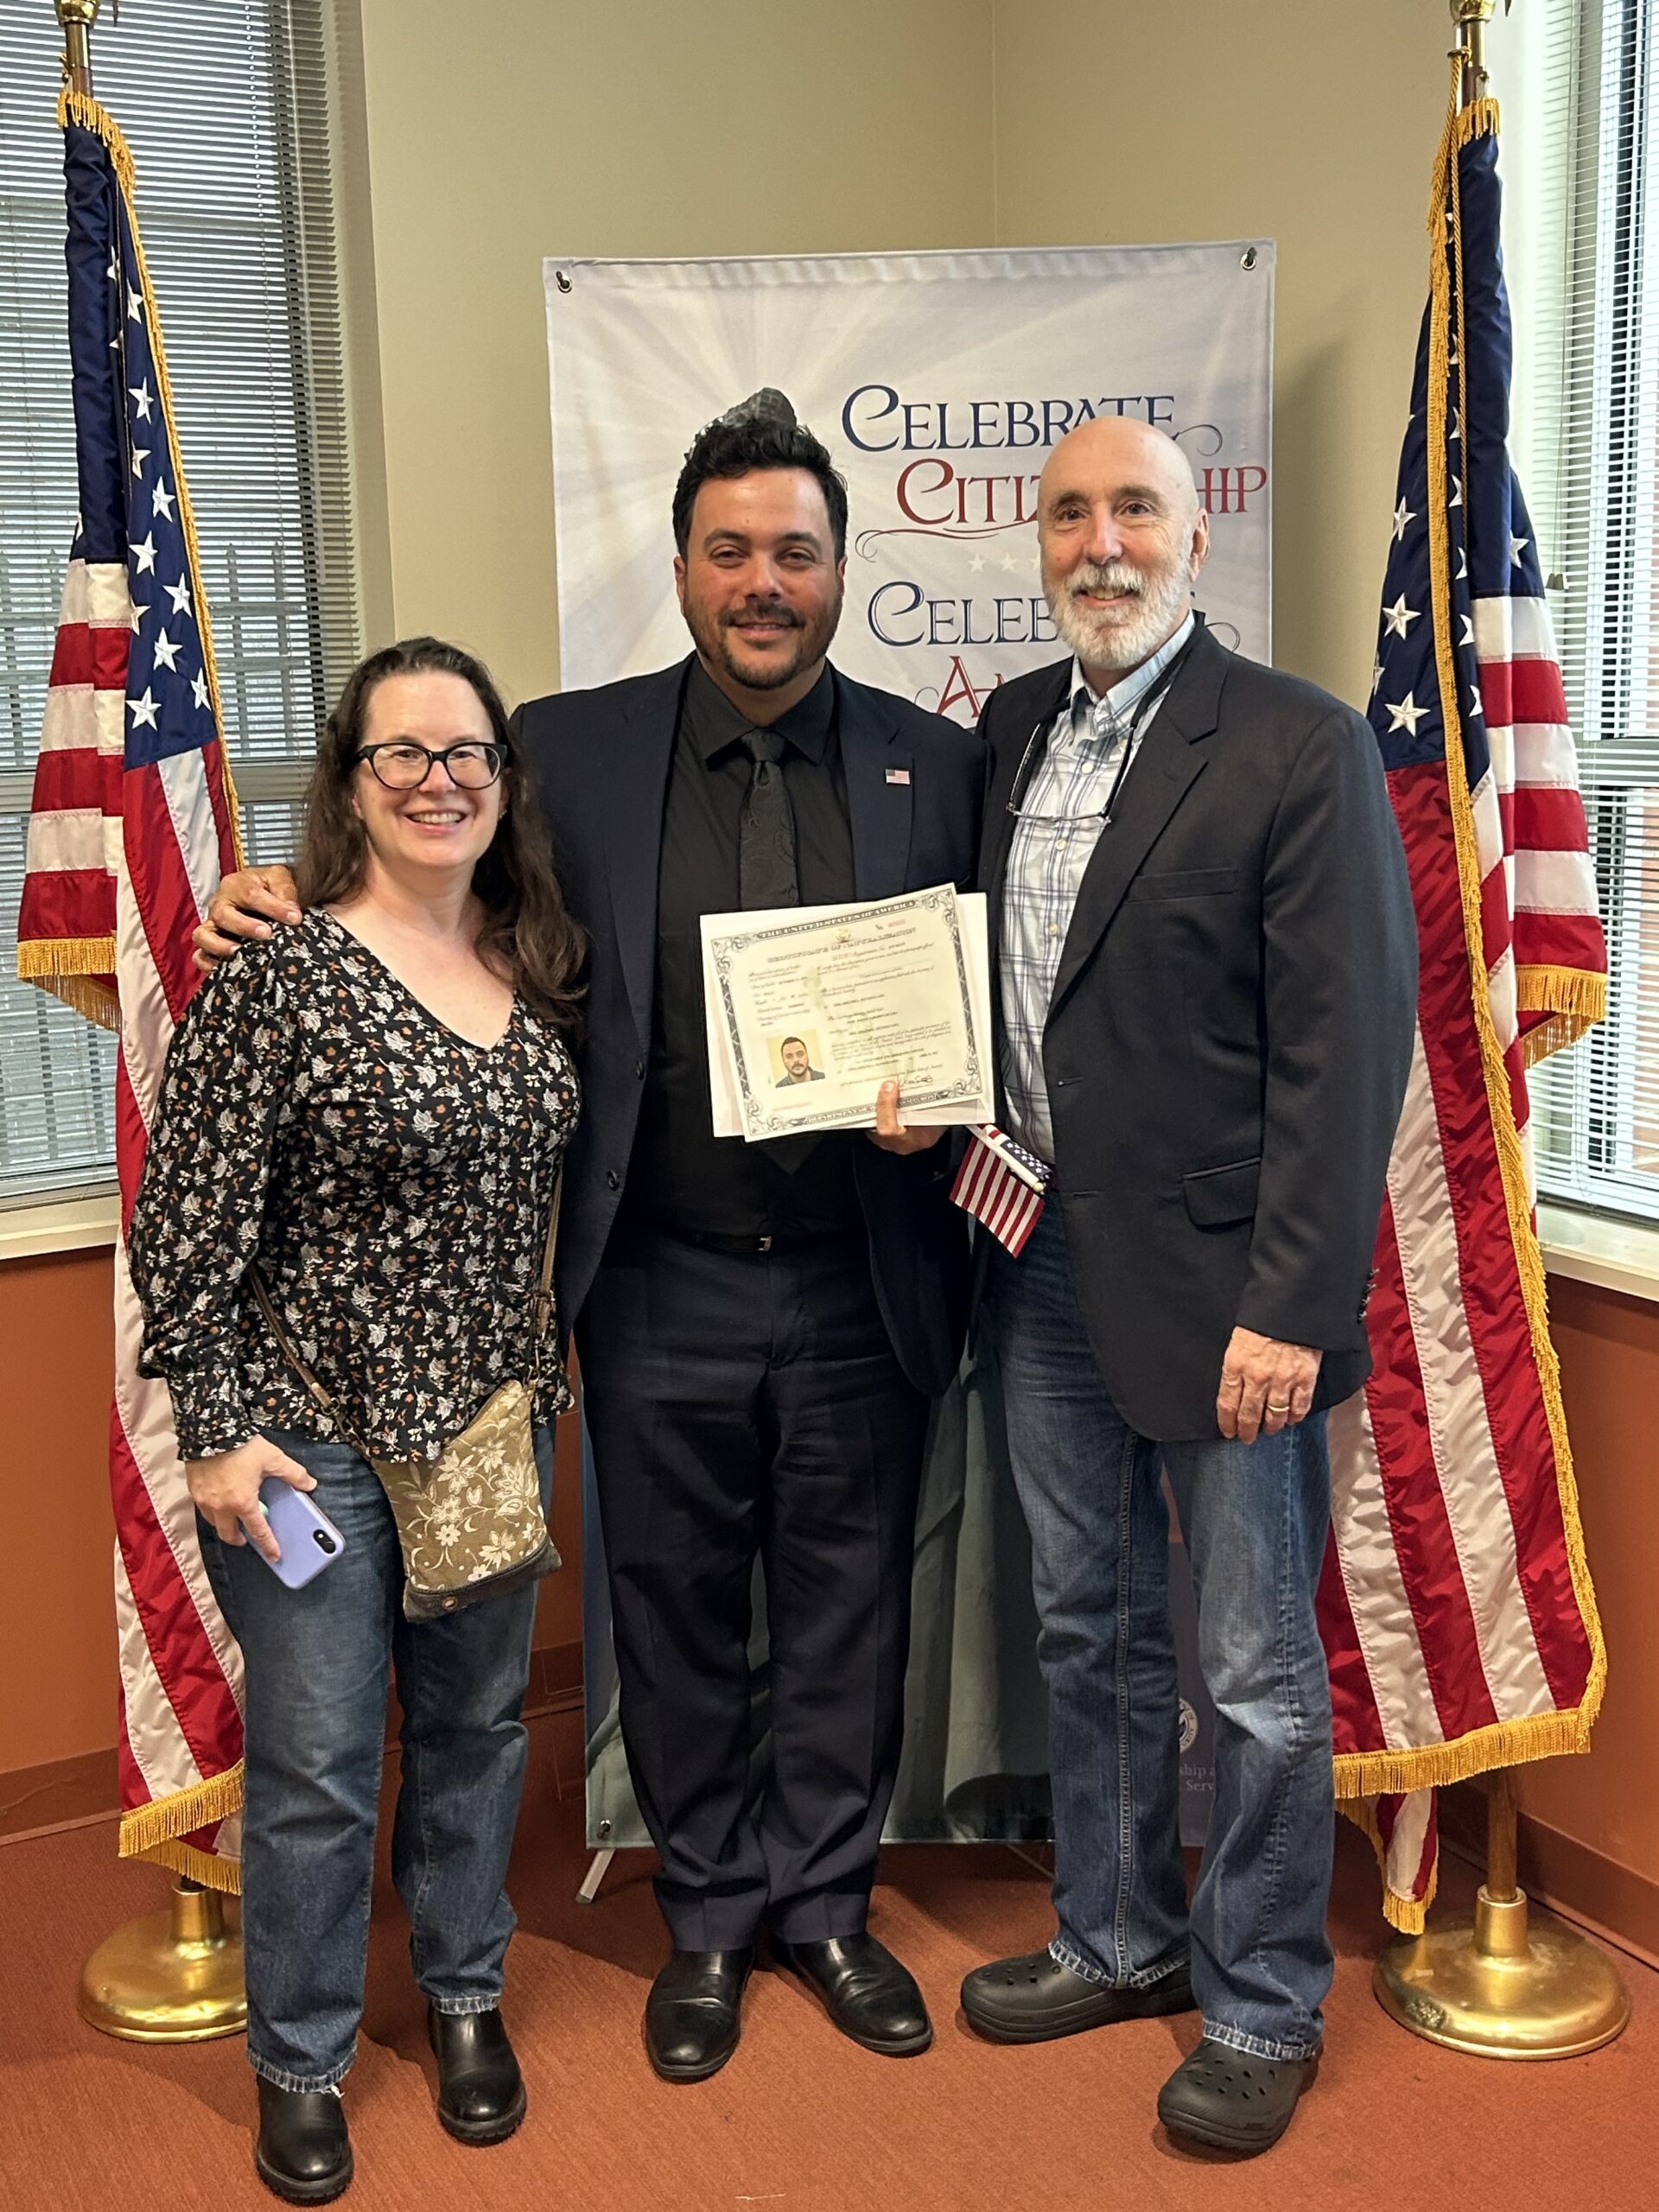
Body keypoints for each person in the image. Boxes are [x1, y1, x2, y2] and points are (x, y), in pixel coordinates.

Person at [194, 392, 983, 2084]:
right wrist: (273, 894)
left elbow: (991, 998)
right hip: (655, 1281)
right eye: (729, 550)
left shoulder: (937, 758)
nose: (761, 580)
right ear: (683, 567)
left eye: (794, 550)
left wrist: (955, 1105)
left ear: (842, 568)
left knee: (849, 1613)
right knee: (677, 1614)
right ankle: (707, 1915)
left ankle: (828, 1904)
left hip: (864, 1267)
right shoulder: (567, 745)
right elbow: (425, 890)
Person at [876, 417, 1415, 2155]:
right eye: (1069, 515)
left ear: (1197, 537)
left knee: (1251, 1665)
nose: (1099, 544)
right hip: (1034, 1256)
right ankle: (1118, 1934)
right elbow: (1012, 990)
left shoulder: (1293, 743)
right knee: (1086, 1629)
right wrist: (917, 1087)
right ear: (1037, 541)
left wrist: (1295, 1306)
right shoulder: (1016, 728)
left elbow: (1345, 1057)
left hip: (1229, 1293)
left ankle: (1258, 1997)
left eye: (1134, 512)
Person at [133, 638, 583, 2204]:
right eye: (403, 755)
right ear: (350, 785)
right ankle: (302, 2057)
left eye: (467, 753)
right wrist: (212, 1429)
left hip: (488, 1433)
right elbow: (185, 1227)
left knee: (470, 1736)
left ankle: (464, 1996)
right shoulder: (277, 970)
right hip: (307, 1441)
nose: (440, 779)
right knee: (320, 1764)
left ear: (502, 782)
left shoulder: (537, 971)